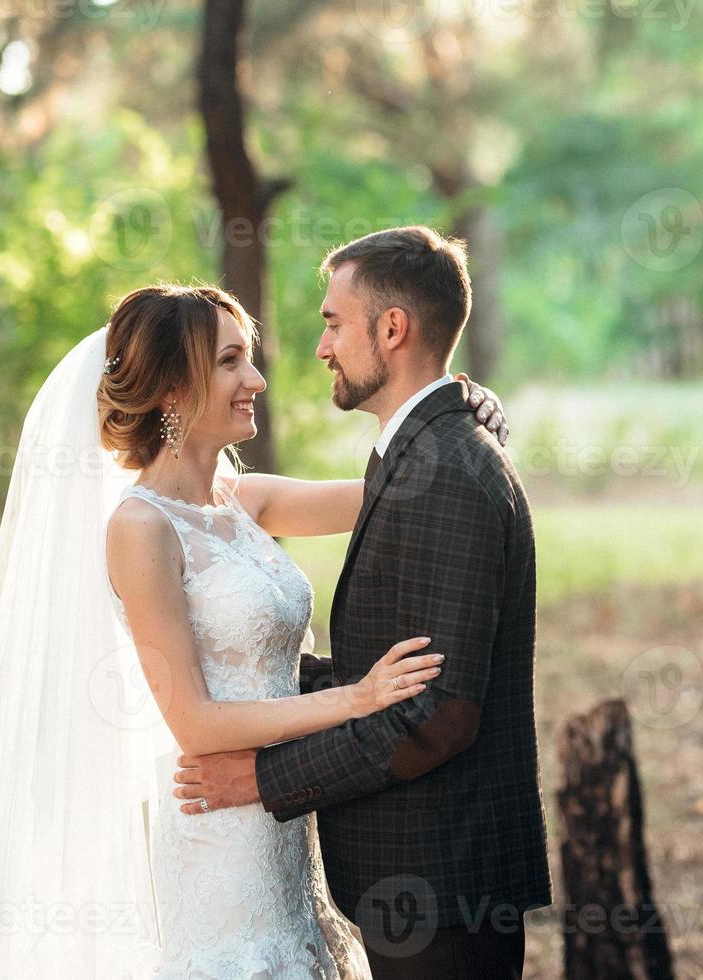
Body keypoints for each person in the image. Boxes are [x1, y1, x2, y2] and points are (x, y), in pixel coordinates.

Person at [0, 273, 509, 977]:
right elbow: (195, 724)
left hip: (286, 823)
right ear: (174, 388)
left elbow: (401, 490)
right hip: (218, 839)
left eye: (248, 357)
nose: (257, 379)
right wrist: (357, 699)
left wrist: (457, 415)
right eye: (231, 360)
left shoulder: (244, 501)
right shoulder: (140, 530)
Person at [172, 228, 552, 980]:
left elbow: (438, 711)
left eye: (332, 322)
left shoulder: (447, 467)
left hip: (443, 882)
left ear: (392, 328)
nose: (320, 348)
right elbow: (382, 672)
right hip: (419, 880)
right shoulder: (422, 454)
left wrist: (257, 779)